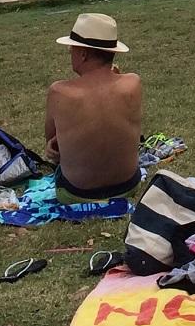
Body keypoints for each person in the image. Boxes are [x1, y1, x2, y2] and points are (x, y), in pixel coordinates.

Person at [45, 13, 145, 205]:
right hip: (128, 186)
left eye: (71, 48)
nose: (69, 53)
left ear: (83, 54)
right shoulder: (133, 82)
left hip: (76, 194)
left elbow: (52, 142)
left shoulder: (59, 92)